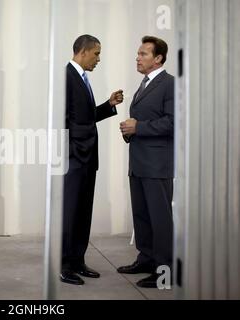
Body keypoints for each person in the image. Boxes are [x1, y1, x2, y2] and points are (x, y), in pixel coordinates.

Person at [61, 35, 124, 285]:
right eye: (96, 53)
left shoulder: (83, 79)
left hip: (87, 158)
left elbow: (83, 118)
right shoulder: (66, 76)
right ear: (83, 51)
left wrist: (108, 105)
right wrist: (73, 152)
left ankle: (78, 260)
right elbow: (62, 119)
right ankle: (64, 265)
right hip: (74, 159)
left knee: (83, 211)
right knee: (70, 213)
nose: (99, 59)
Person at [118, 36, 174, 288]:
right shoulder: (144, 83)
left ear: (158, 58)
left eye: (143, 54)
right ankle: (146, 258)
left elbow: (174, 123)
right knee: (142, 215)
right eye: (138, 54)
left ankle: (164, 272)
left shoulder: (169, 84)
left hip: (157, 164)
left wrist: (138, 126)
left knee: (160, 218)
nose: (137, 58)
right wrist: (130, 131)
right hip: (139, 162)